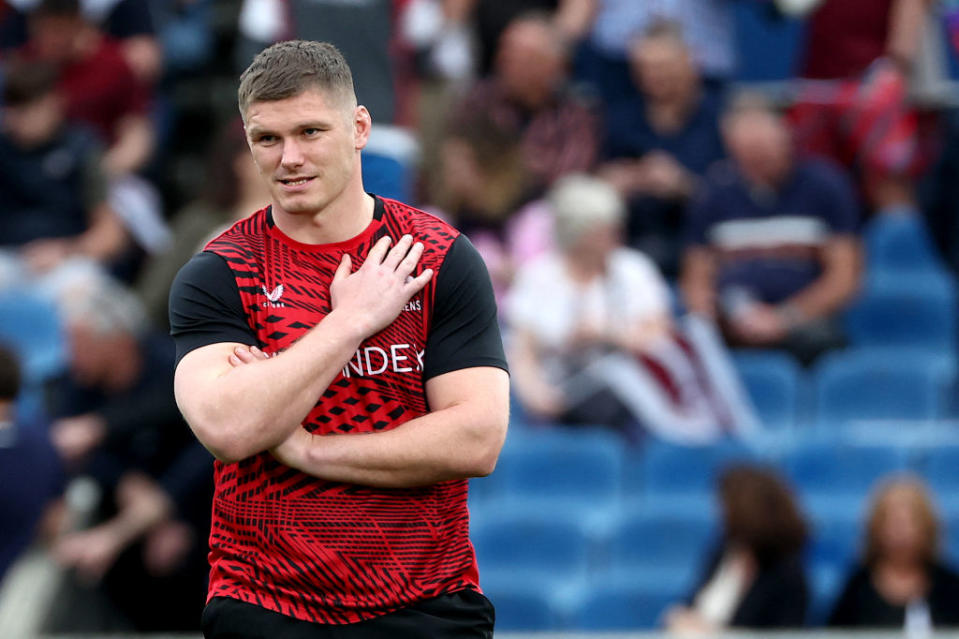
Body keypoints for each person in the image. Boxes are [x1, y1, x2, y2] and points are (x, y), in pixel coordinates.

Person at [168, 40, 509, 638]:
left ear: (359, 128)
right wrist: (349, 322)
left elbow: (476, 438)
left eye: (310, 132)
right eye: (267, 139)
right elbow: (229, 429)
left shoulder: (436, 258)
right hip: (266, 603)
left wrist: (308, 449)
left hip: (427, 601)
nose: (288, 158)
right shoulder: (221, 271)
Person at [507, 174, 757, 444]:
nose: (617, 234)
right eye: (605, 229)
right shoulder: (537, 276)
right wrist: (536, 395)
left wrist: (604, 334)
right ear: (578, 233)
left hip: (628, 392)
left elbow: (660, 338)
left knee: (624, 399)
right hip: (561, 392)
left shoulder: (633, 269)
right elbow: (523, 352)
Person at [681, 94, 862, 365]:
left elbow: (844, 277)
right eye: (747, 153)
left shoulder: (825, 186)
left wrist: (785, 317)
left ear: (786, 139)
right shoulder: (713, 193)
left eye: (764, 149)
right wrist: (718, 315)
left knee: (823, 343)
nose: (757, 160)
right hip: (733, 322)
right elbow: (696, 278)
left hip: (803, 322)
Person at [599, 20, 726, 276]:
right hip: (632, 244)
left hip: (706, 246)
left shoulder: (722, 119)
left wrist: (683, 186)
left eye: (663, 67)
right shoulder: (619, 120)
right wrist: (615, 184)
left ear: (692, 63)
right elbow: (599, 179)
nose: (653, 76)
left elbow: (741, 198)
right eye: (644, 68)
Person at [665, 464, 809, 633]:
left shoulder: (786, 574)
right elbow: (692, 603)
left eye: (722, 504)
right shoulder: (723, 552)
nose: (716, 512)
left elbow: (780, 631)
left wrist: (713, 631)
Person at [828, 477, 959, 630]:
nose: (900, 533)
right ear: (876, 528)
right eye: (893, 523)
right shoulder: (857, 587)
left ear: (927, 527)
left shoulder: (950, 587)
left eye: (909, 523)